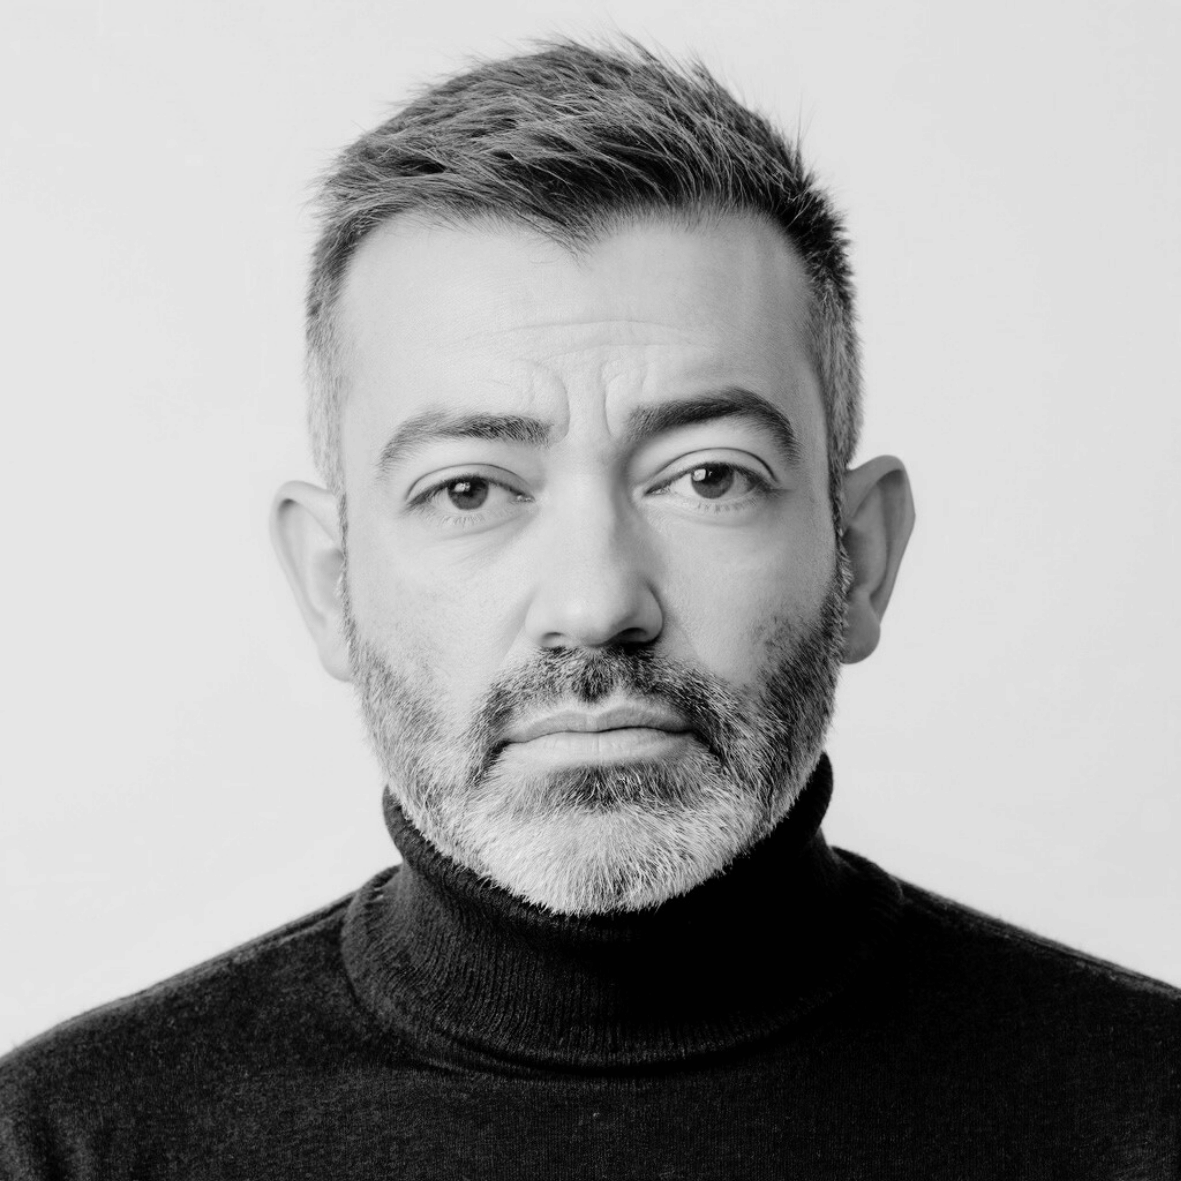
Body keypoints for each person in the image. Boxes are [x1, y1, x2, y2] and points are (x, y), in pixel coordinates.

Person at [1, 37, 1176, 1179]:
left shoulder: (1149, 1116)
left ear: (858, 556)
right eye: (468, 489)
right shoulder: (65, 1146)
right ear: (327, 582)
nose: (594, 601)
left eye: (706, 477)